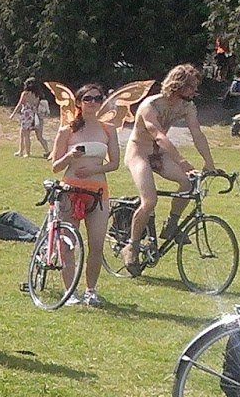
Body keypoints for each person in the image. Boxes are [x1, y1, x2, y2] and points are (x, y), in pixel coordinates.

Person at [122, 63, 217, 274]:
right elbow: (158, 135)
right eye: (190, 87)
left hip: (159, 153)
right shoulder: (151, 106)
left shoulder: (186, 106)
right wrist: (182, 161)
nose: (194, 91)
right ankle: (132, 245)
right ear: (178, 85)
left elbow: (197, 133)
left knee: (187, 183)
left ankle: (171, 225)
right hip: (139, 152)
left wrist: (209, 163)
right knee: (150, 200)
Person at [49, 84, 120, 306]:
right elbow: (55, 166)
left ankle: (91, 290)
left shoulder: (108, 129)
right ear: (79, 103)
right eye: (88, 99)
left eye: (98, 99)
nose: (93, 103)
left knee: (97, 243)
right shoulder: (67, 130)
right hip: (70, 190)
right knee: (68, 242)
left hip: (97, 191)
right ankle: (69, 290)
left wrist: (95, 169)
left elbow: (115, 163)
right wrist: (70, 155)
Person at [10, 77, 51, 158]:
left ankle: (26, 153)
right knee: (39, 136)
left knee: (25, 135)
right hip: (36, 116)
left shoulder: (25, 94)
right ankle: (47, 151)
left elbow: (19, 105)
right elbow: (36, 106)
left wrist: (13, 114)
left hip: (26, 115)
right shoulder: (37, 95)